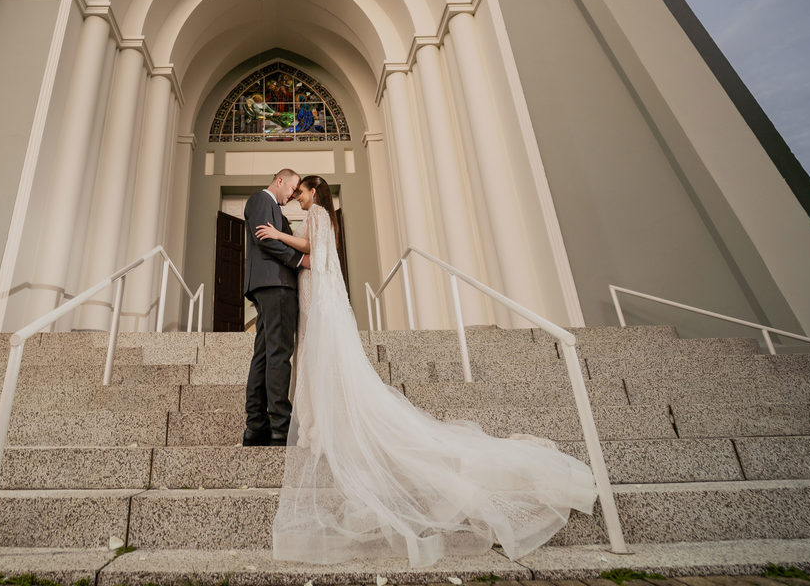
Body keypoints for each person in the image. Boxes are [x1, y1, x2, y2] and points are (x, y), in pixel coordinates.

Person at [255, 175, 597, 567]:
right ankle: (320, 424)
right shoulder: (326, 216)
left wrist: (279, 237)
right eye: (295, 192)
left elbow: (312, 249)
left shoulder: (316, 213)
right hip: (319, 290)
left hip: (318, 296)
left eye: (300, 192)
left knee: (320, 358)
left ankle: (321, 426)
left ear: (314, 192)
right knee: (320, 360)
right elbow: (318, 257)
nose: (297, 198)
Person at [242, 168, 306, 447]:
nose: (292, 195)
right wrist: (299, 261)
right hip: (275, 284)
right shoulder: (261, 199)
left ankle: (256, 426)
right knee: (279, 354)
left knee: (265, 355)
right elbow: (264, 238)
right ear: (280, 181)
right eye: (292, 189)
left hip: (271, 285)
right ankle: (281, 425)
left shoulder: (274, 208)